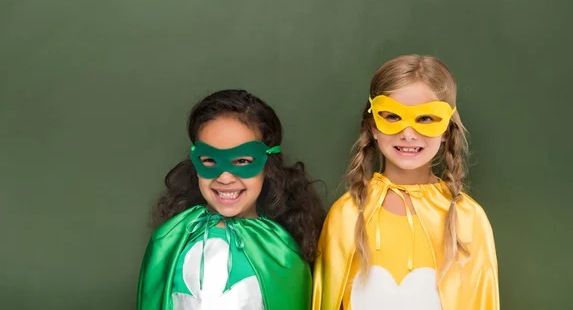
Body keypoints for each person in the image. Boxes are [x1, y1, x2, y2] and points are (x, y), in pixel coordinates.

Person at [312, 55, 499, 309]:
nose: (408, 134)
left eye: (425, 118)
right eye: (392, 117)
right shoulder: (347, 214)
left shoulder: (468, 219)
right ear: (373, 126)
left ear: (445, 129)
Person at [138, 89, 325, 310]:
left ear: (269, 166)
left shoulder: (281, 253)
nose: (225, 177)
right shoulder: (169, 240)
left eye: (243, 161)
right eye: (209, 160)